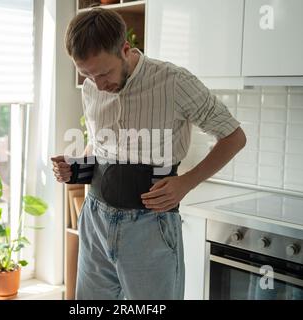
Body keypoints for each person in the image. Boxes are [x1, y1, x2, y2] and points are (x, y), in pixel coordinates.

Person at [51, 8, 246, 300]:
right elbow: (98, 144)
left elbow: (234, 136)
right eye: (87, 75)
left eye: (104, 73)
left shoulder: (174, 82)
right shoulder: (92, 87)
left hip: (149, 225)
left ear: (125, 49)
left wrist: (186, 182)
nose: (98, 84)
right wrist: (78, 166)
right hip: (95, 218)